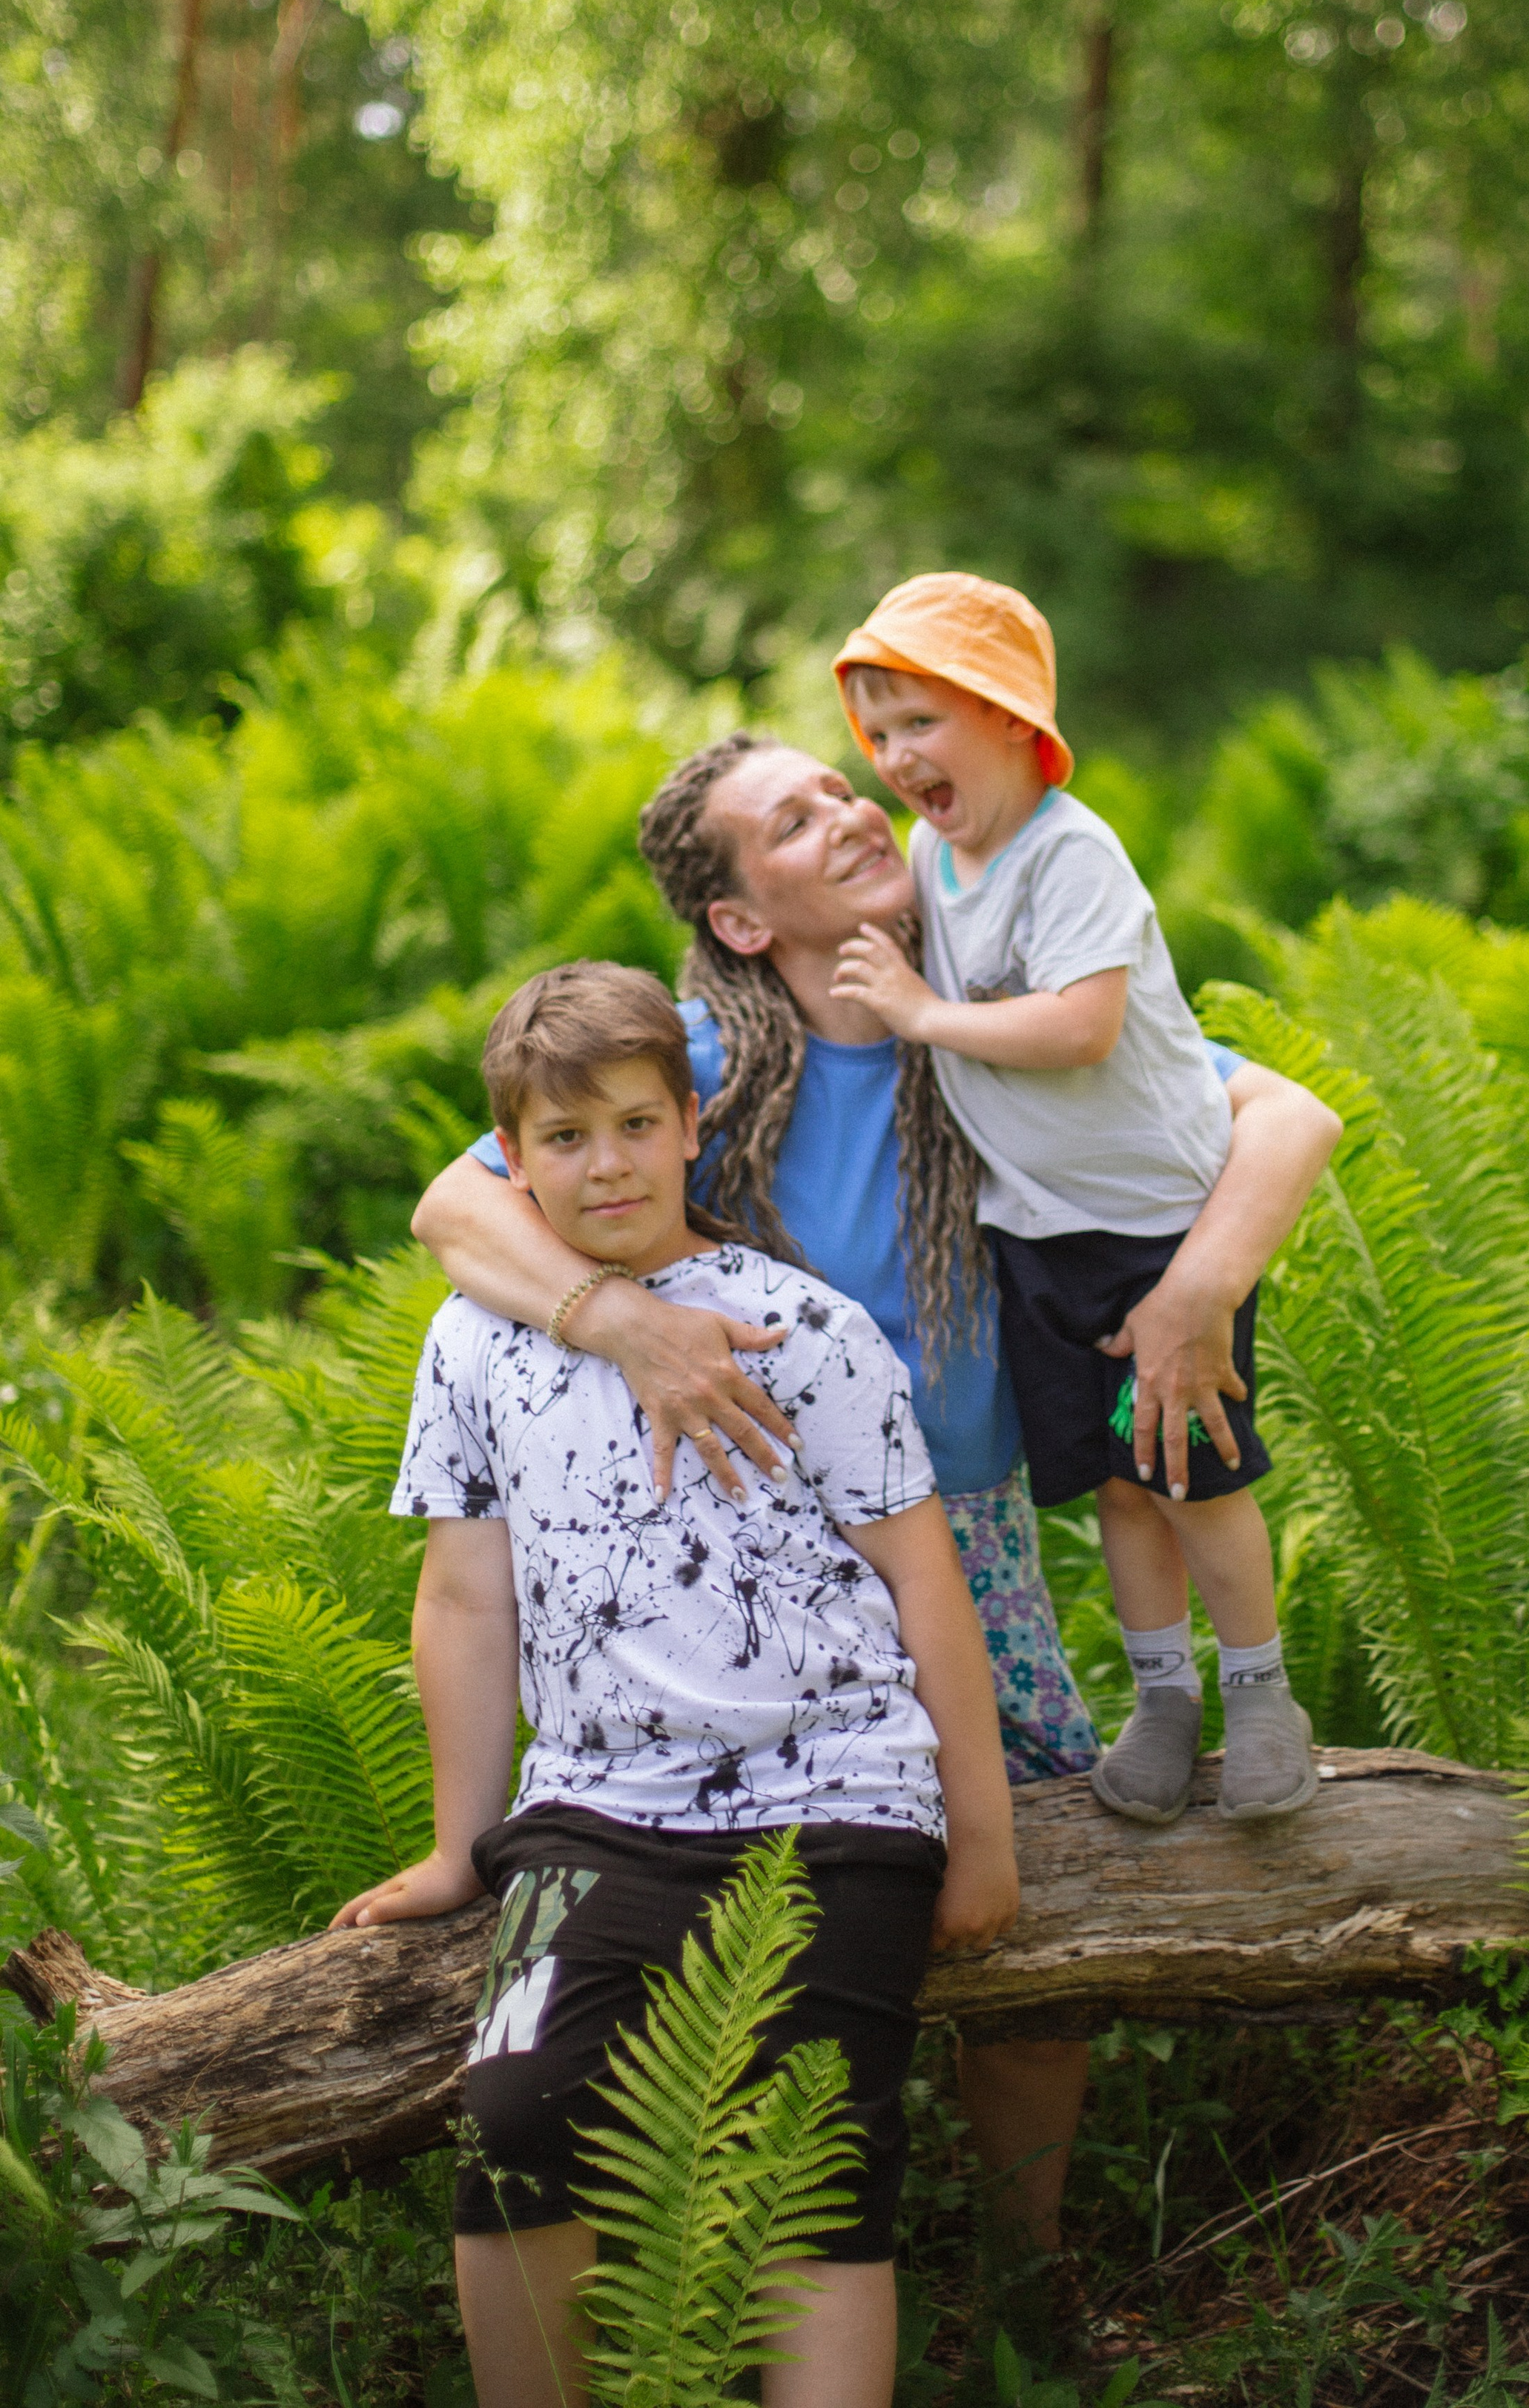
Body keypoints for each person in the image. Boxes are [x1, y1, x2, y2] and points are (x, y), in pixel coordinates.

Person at [412, 731, 1339, 2260]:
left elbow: (1282, 1117)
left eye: (840, 788)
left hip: (956, 1536)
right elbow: (460, 1200)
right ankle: (728, 2238)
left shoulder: (996, 1012)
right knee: (773, 1897)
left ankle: (1024, 2263)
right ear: (737, 920)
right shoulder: (706, 1059)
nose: (850, 811)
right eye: (792, 821)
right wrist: (620, 1320)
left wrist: (1196, 1289)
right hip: (758, 1543)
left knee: (1023, 1875)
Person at [334, 960, 1017, 2408]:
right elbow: (463, 1595)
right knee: (514, 2127)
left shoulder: (804, 1328)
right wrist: (462, 1848)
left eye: (636, 1125)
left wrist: (984, 1835)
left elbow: (922, 1580)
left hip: (840, 1798)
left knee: (814, 2174)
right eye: (564, 1140)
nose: (606, 1166)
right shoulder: (473, 1339)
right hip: (595, 1811)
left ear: (693, 1120)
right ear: (505, 1157)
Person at [832, 572, 1341, 1831]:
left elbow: (1080, 1025)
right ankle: (1163, 1699)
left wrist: (917, 1013)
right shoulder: (929, 855)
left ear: (1009, 714)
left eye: (922, 722)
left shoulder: (1070, 849)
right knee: (1120, 1486)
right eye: (878, 731)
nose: (896, 758)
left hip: (1157, 1221)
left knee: (1195, 1473)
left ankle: (1263, 1693)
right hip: (1040, 1236)